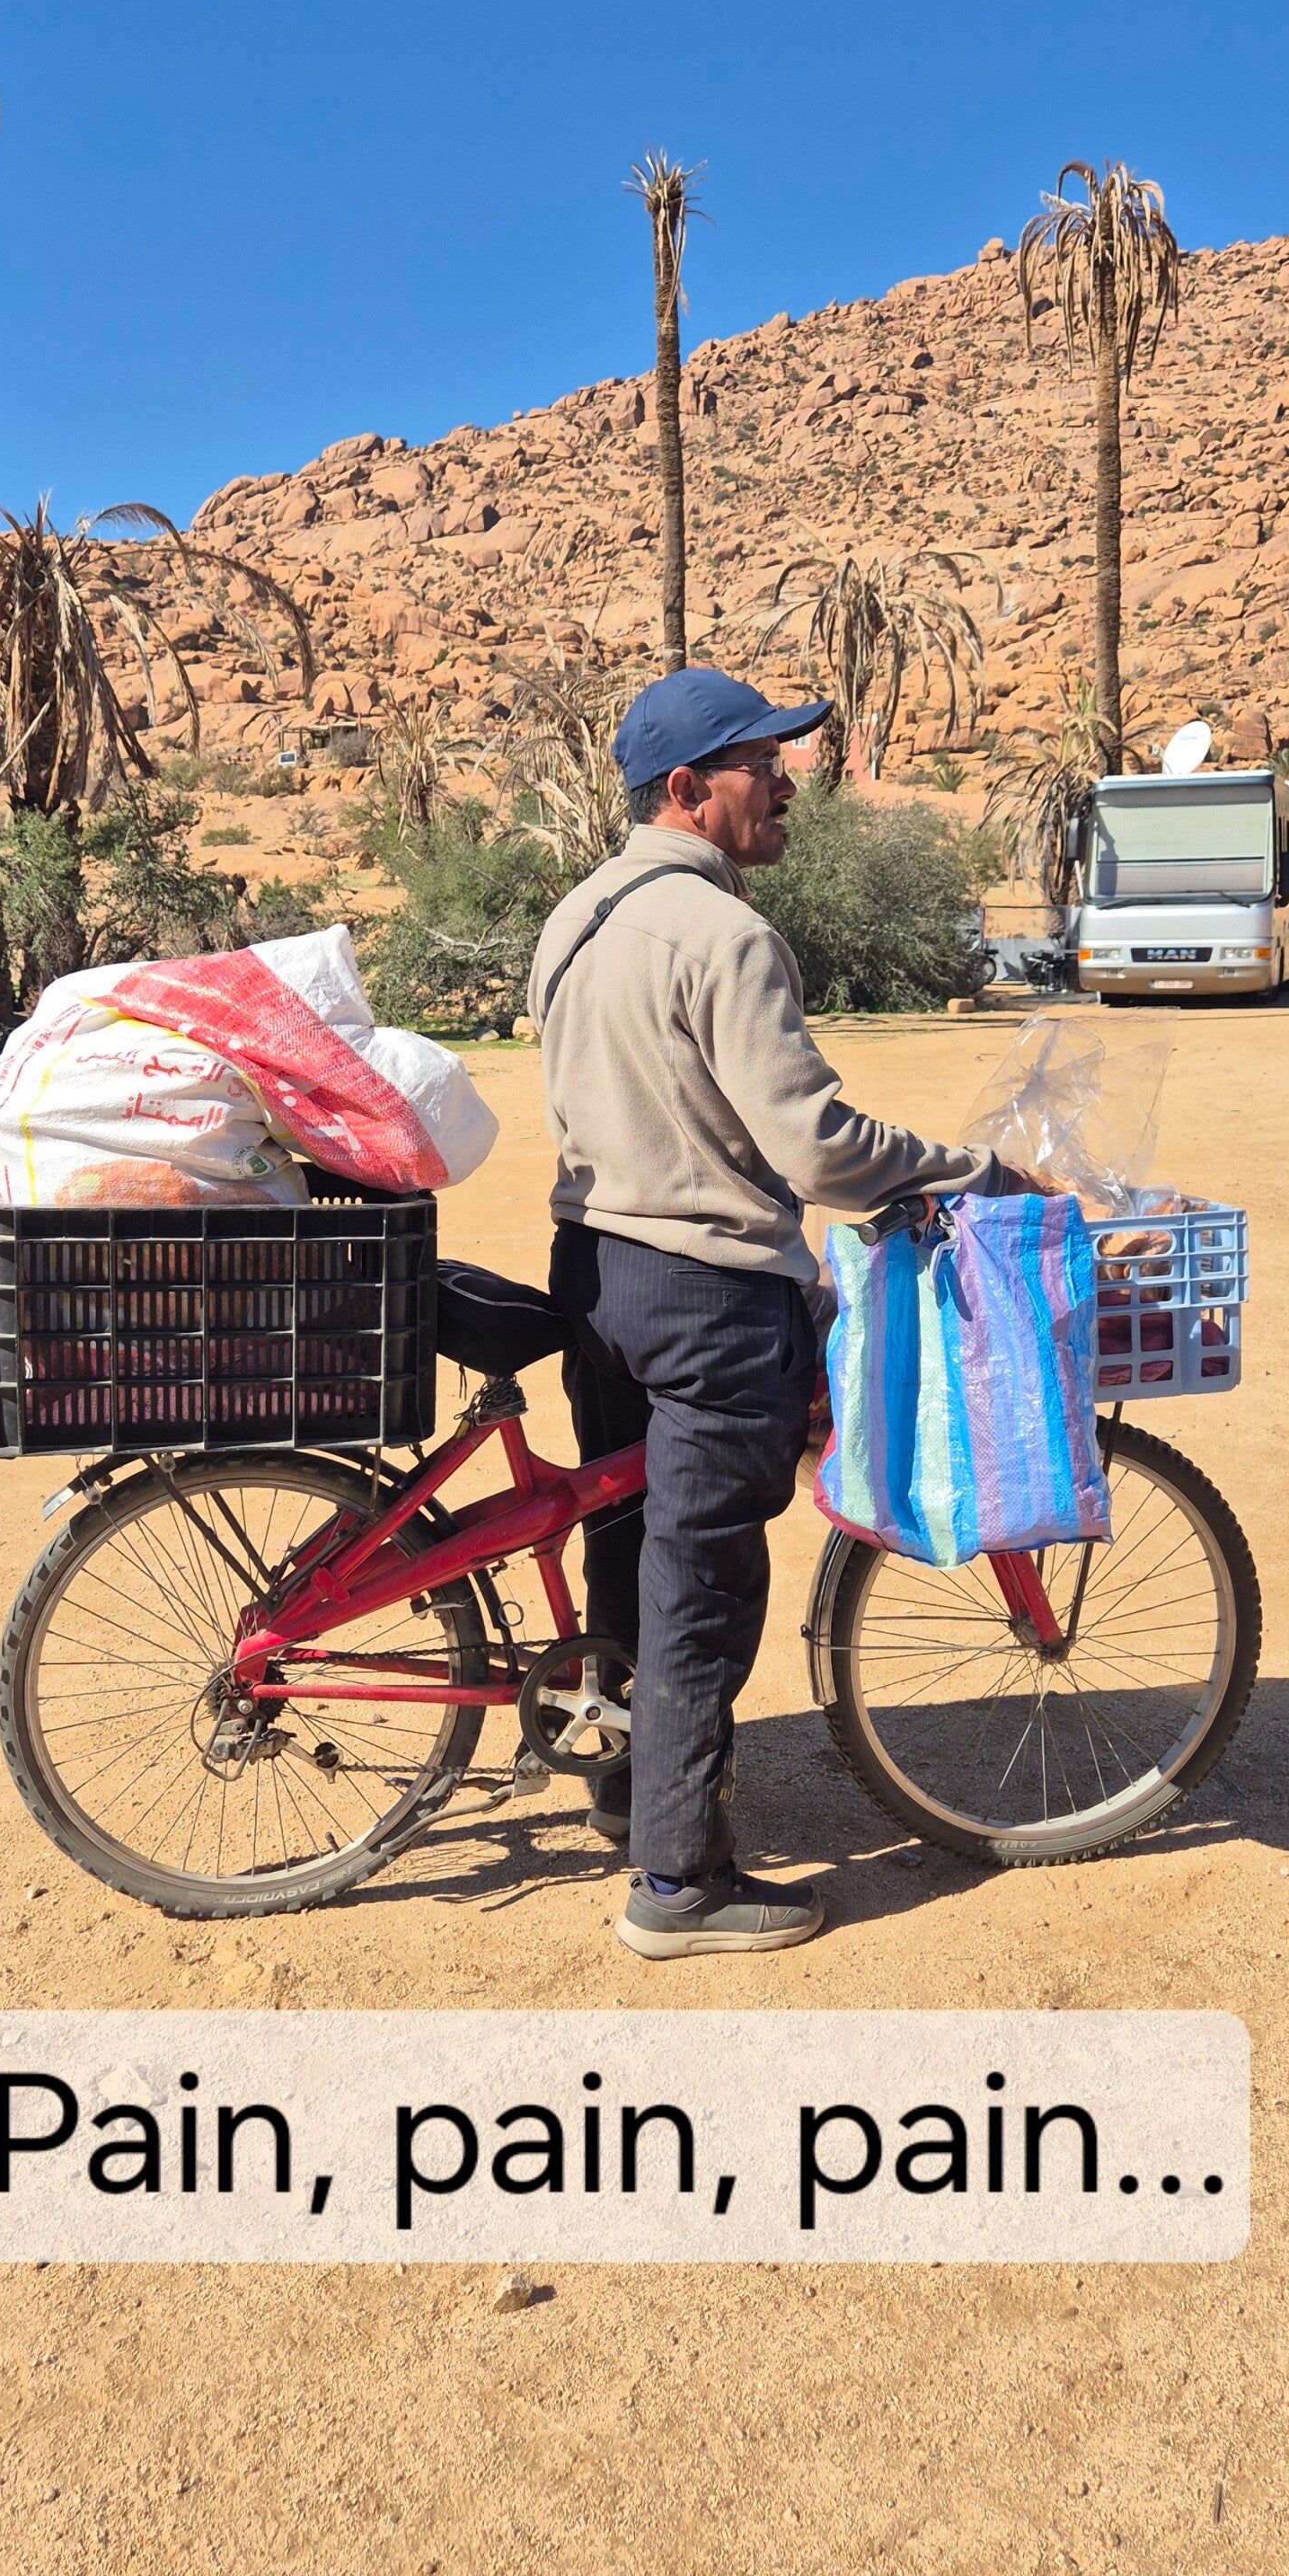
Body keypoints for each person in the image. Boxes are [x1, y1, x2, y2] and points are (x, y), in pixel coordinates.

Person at [529, 665, 1030, 1962]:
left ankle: (628, 1787)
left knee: (629, 1545)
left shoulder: (575, 916)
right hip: (705, 1294)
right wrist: (964, 1170)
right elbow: (813, 1147)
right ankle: (678, 1886)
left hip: (596, 1273)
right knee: (701, 1578)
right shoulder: (725, 936)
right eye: (763, 764)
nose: (787, 784)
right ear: (688, 789)